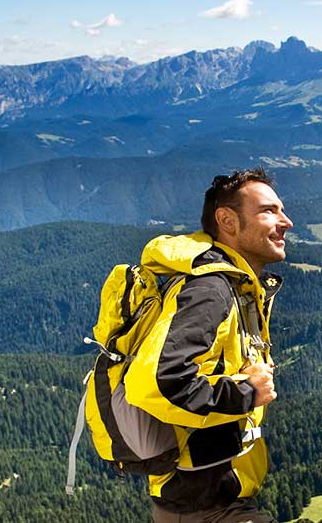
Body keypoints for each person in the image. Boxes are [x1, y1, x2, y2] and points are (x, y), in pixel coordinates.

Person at [123, 168, 293, 523]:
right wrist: (246, 391)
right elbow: (156, 382)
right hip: (205, 508)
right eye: (268, 211)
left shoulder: (234, 286)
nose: (286, 221)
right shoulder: (210, 291)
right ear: (226, 220)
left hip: (210, 501)